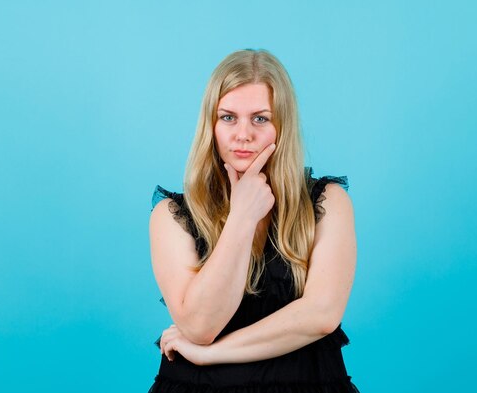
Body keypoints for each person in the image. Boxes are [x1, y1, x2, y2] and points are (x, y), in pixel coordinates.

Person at [147, 49, 359, 392]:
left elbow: (321, 316)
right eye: (228, 117)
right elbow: (201, 326)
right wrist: (242, 218)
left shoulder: (328, 202)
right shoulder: (171, 217)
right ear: (210, 125)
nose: (242, 134)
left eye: (260, 118)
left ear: (282, 125)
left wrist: (210, 355)